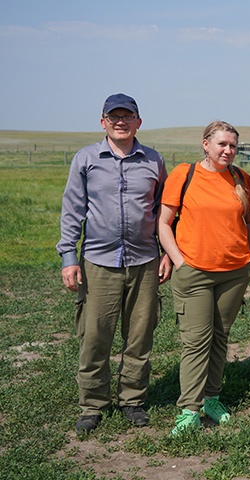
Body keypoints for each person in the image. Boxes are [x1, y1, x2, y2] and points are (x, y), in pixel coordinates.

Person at [57, 93, 171, 434]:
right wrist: (68, 257)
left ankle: (132, 400)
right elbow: (72, 210)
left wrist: (166, 252)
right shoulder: (86, 159)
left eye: (128, 116)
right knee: (94, 337)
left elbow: (165, 212)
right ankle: (93, 404)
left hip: (145, 262)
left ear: (138, 121)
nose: (121, 121)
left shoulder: (153, 161)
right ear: (103, 121)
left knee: (139, 336)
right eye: (114, 116)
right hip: (99, 262)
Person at [157, 121, 250, 435]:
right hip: (195, 273)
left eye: (232, 146)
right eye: (222, 145)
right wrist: (180, 262)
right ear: (206, 144)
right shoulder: (184, 174)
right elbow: (164, 222)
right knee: (195, 341)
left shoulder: (242, 178)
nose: (228, 151)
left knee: (220, 337)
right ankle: (189, 410)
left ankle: (212, 399)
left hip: (234, 273)